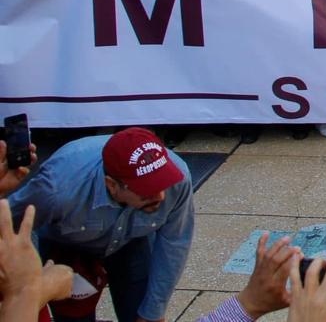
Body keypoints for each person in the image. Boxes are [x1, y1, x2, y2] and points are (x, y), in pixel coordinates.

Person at [4, 128, 195, 322]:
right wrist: (35, 288)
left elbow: (175, 243)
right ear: (111, 185)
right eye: (146, 190)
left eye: (162, 184)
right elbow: (11, 225)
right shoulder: (56, 189)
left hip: (129, 242)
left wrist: (153, 312)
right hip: (65, 246)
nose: (161, 196)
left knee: (144, 315)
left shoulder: (178, 178)